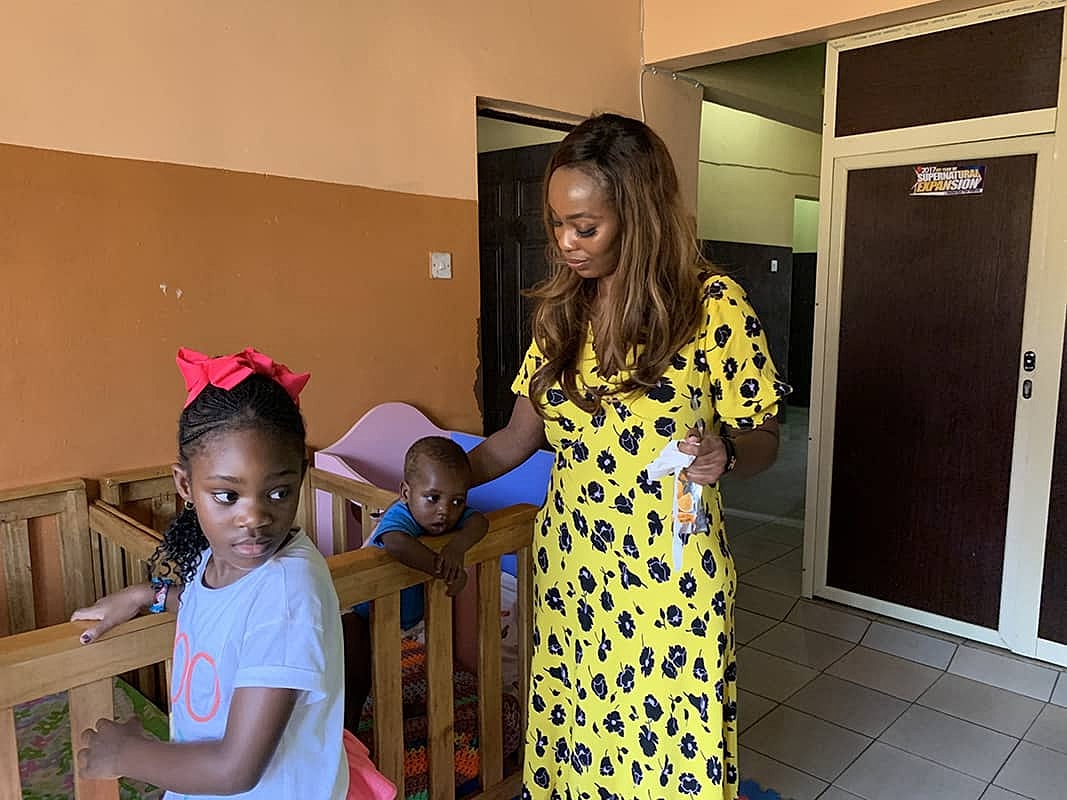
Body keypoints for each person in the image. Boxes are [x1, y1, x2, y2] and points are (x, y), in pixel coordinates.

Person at [467, 113, 790, 800]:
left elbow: (764, 434)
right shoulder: (561, 312)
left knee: (667, 756)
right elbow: (513, 440)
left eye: (585, 227)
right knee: (580, 741)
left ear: (638, 216)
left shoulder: (711, 306)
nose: (566, 242)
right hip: (574, 571)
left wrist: (727, 453)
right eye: (557, 223)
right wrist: (440, 477)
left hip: (668, 579)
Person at [72, 347, 393, 800]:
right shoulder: (220, 556)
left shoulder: (286, 591)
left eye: (278, 492)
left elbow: (235, 770)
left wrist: (127, 753)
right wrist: (149, 595)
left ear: (301, 477)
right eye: (227, 496)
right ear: (185, 485)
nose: (254, 518)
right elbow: (220, 610)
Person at [343, 436, 489, 730]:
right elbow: (396, 544)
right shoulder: (401, 515)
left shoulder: (447, 518)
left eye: (457, 501)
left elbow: (480, 523)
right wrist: (444, 569)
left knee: (397, 670)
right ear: (406, 493)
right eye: (433, 498)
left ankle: (398, 712)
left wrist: (457, 548)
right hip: (362, 614)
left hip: (401, 621)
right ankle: (347, 730)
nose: (445, 511)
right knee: (356, 674)